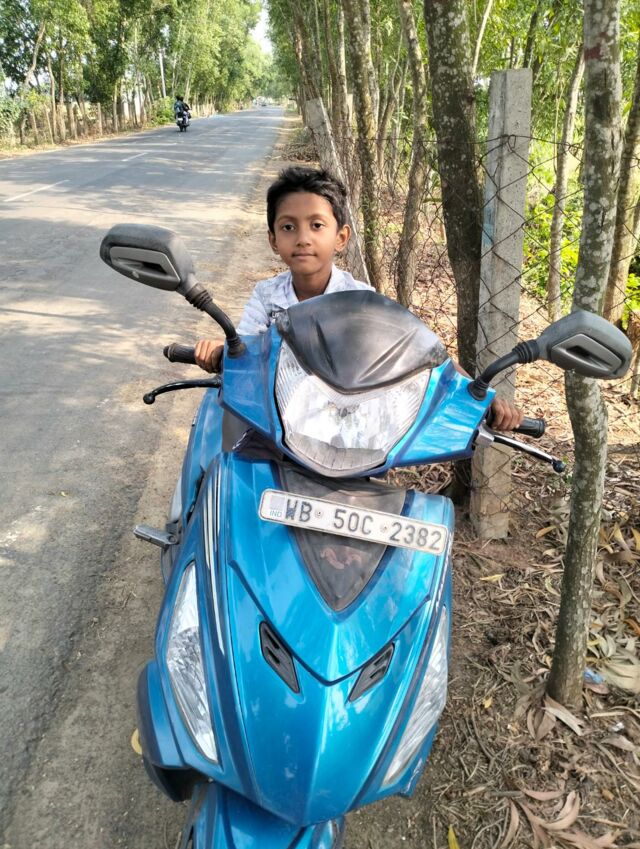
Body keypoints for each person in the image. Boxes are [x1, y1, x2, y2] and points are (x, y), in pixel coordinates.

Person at [194, 166, 522, 431]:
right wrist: (222, 350)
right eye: (289, 227)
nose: (303, 238)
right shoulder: (266, 295)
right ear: (273, 239)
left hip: (344, 426)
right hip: (275, 418)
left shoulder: (361, 299)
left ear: (341, 237)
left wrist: (477, 395)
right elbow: (245, 346)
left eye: (316, 225)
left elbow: (424, 352)